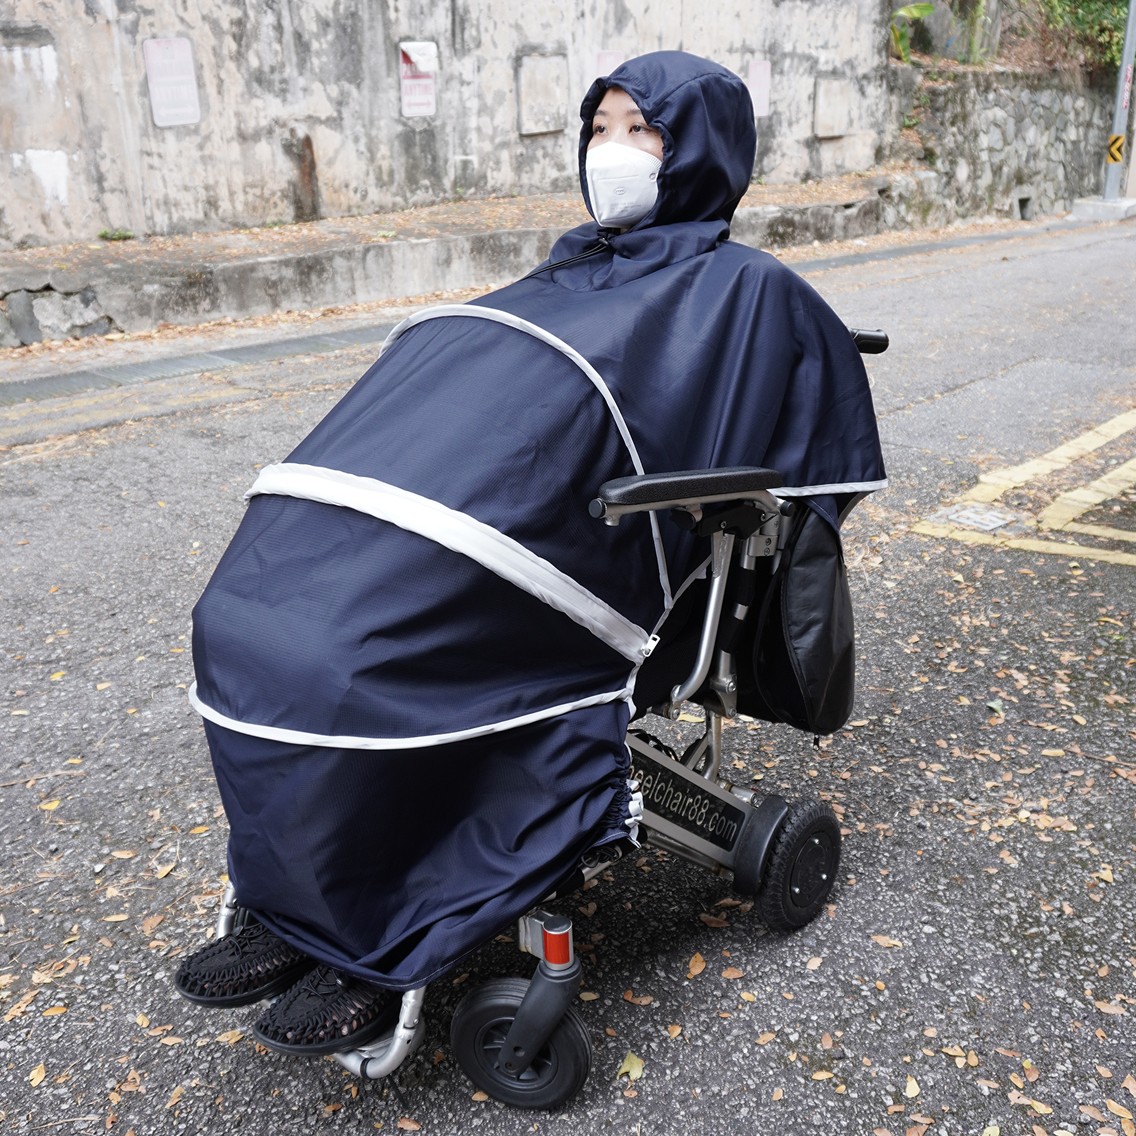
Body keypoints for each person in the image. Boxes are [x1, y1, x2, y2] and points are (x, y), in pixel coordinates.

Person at [174, 50, 885, 1055]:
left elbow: (805, 450)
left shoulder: (749, 293)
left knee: (360, 658)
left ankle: (378, 942)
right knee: (257, 623)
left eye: (643, 130)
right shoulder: (568, 265)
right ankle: (293, 908)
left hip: (581, 558)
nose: (613, 152)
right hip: (487, 526)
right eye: (599, 129)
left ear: (700, 149)